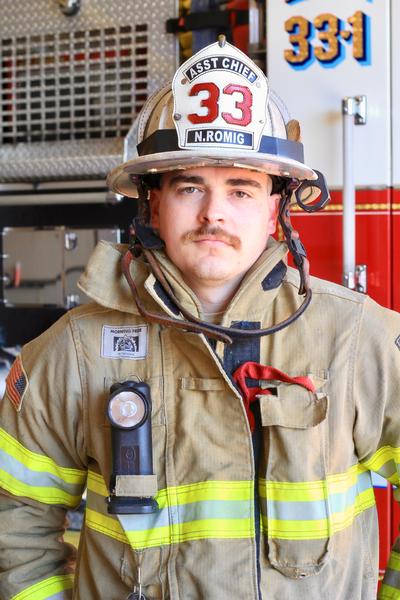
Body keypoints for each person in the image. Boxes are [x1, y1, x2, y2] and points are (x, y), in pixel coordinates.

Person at [0, 36, 400, 600]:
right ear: (154, 205)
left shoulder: (355, 338)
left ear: (276, 209)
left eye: (241, 189)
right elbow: (15, 532)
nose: (214, 212)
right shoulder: (74, 352)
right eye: (191, 187)